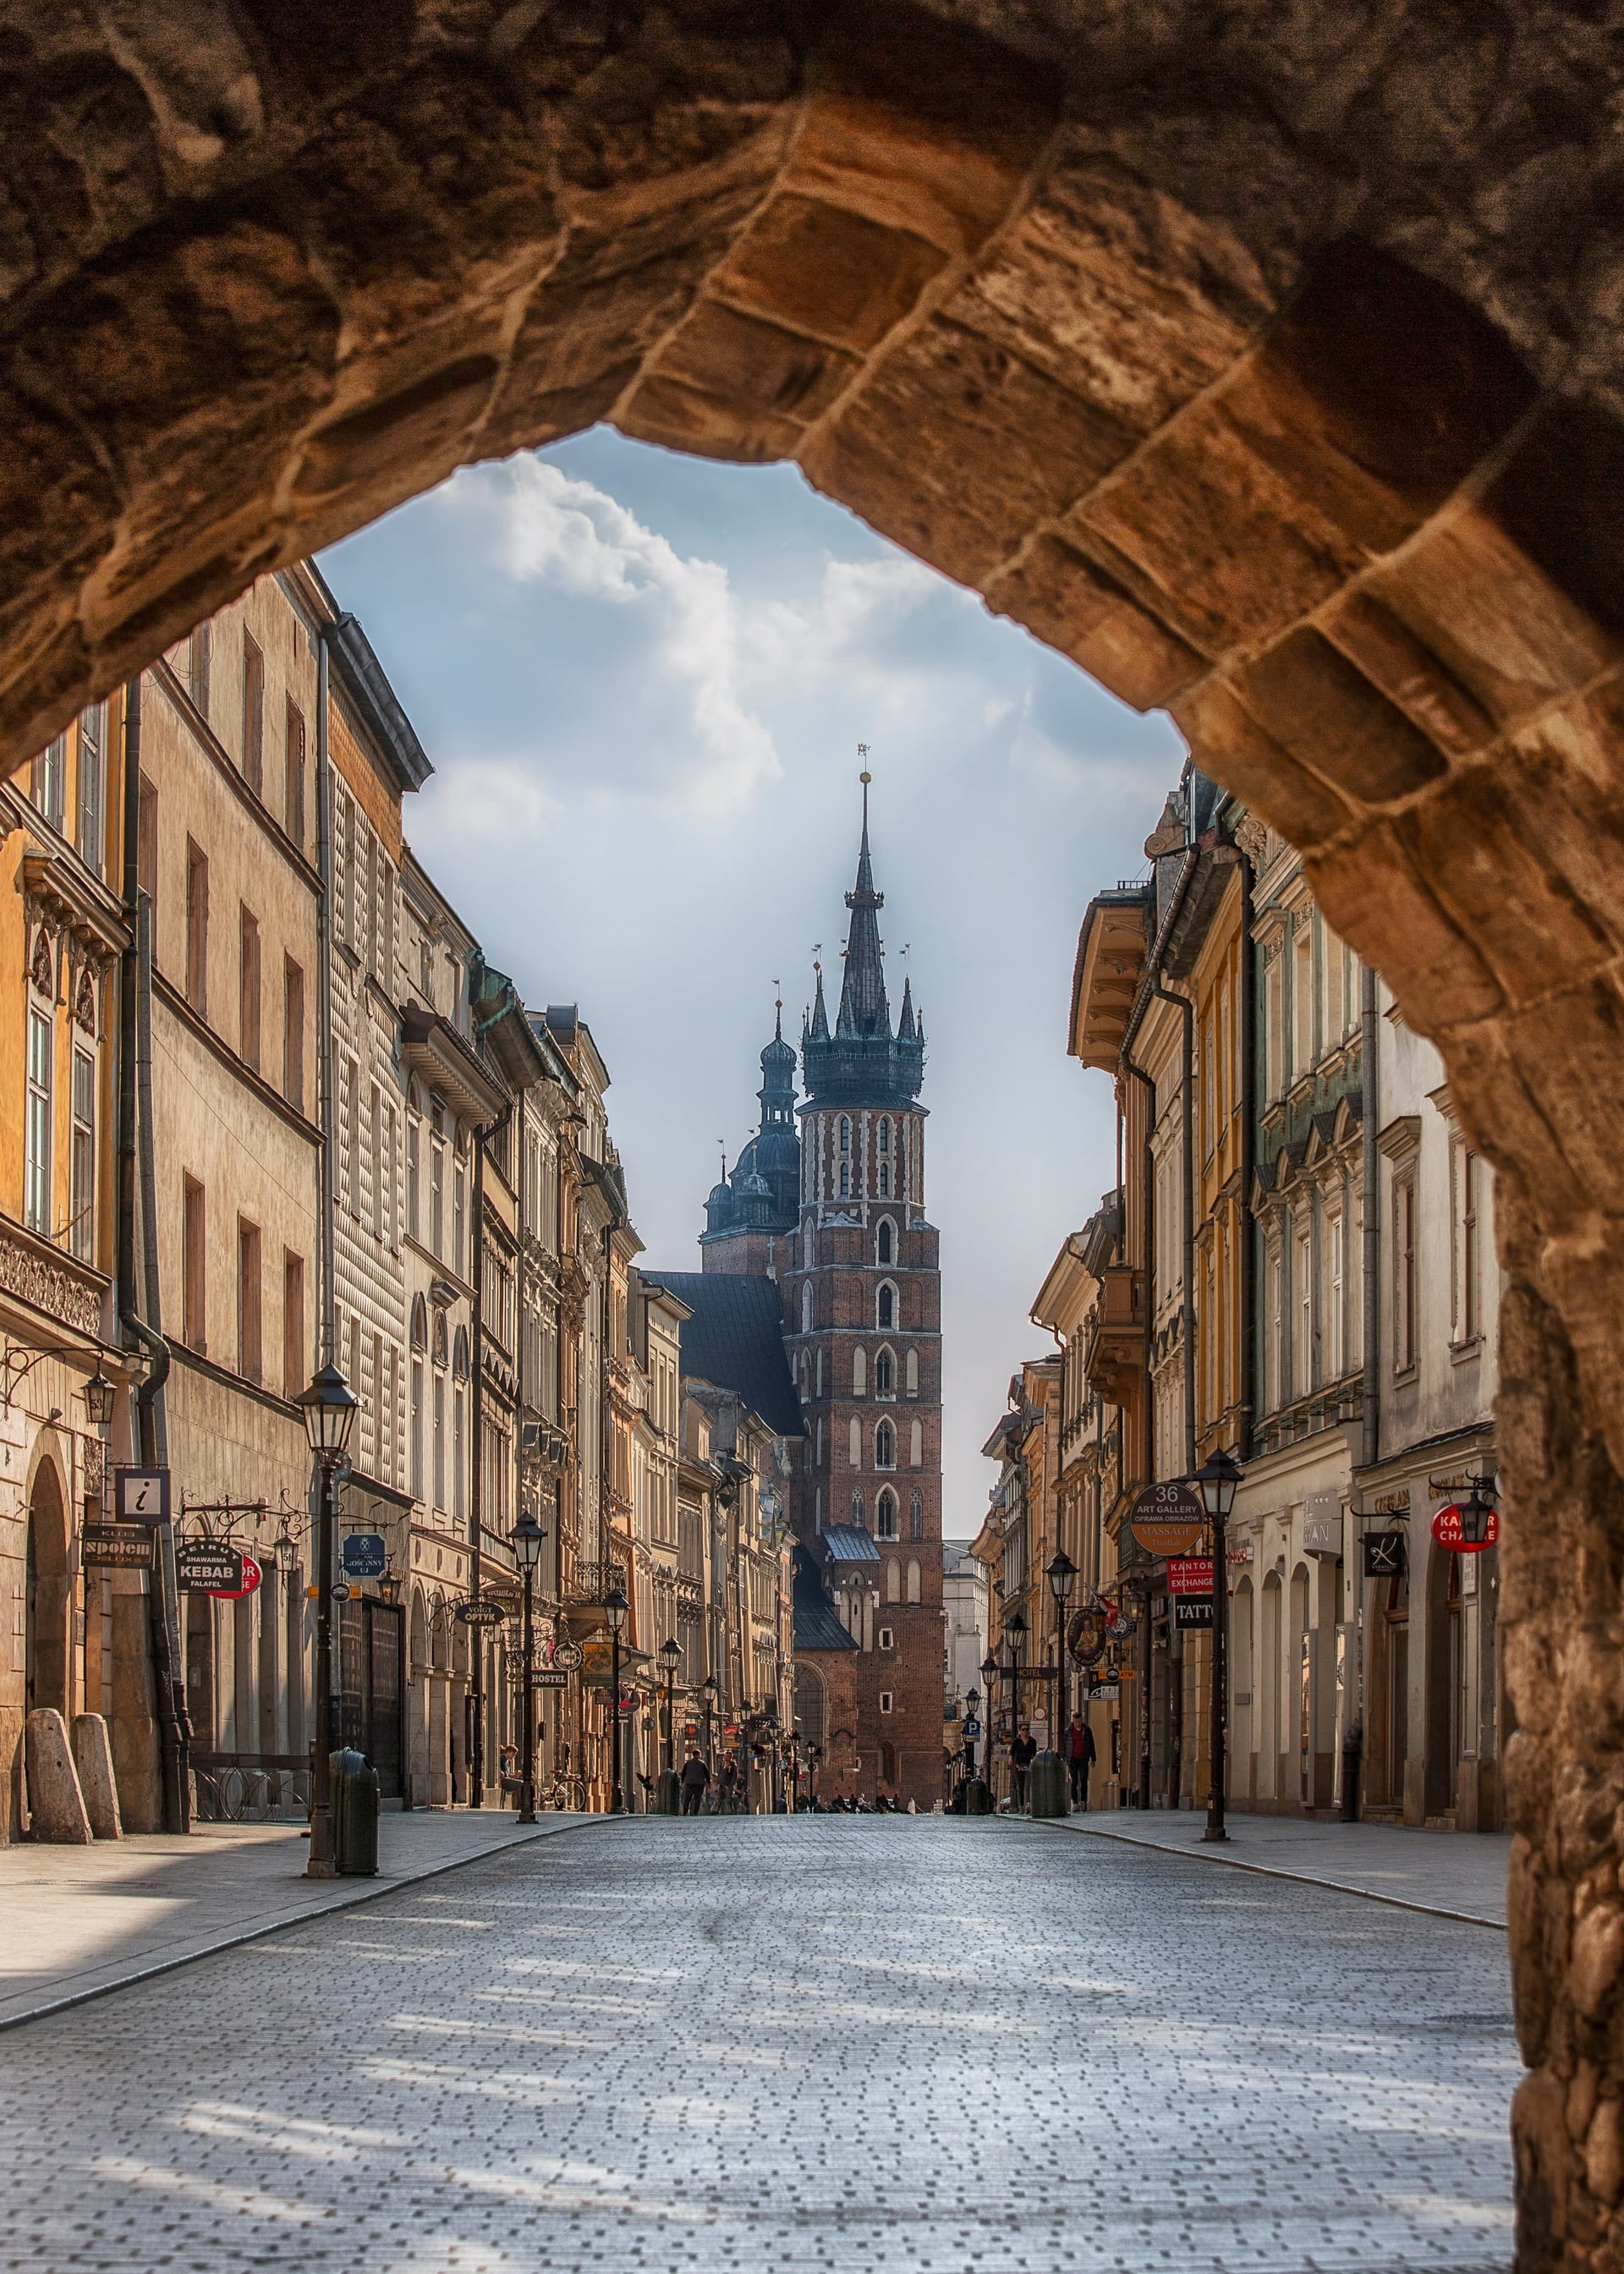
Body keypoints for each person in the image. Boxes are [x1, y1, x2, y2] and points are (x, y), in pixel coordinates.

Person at [1067, 1712, 1097, 1810]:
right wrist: (1065, 1757)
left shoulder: (1087, 1730)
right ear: (1073, 1721)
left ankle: (1083, 1801)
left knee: (1084, 1780)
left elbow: (1091, 1744)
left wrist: (1093, 1758)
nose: (1078, 1724)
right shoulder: (1068, 1731)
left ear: (1082, 1720)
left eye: (1079, 1721)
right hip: (1073, 1759)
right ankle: (1075, 1802)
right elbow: (1065, 1745)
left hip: (1084, 1758)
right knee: (1074, 1781)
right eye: (1076, 1722)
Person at [1010, 1722, 1038, 1810]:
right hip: (1018, 1766)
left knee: (1028, 1785)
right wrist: (1010, 1759)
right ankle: (1021, 1805)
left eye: (1027, 1729)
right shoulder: (1016, 1742)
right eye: (1023, 1730)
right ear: (1020, 1731)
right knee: (1020, 1786)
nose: (1025, 1731)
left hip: (1029, 1765)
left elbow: (1034, 1753)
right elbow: (1012, 1752)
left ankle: (1028, 1804)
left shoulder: (1032, 1741)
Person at [679, 1748, 710, 1816]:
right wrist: (709, 1783)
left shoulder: (688, 1762)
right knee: (697, 1799)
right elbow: (707, 1774)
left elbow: (683, 1773)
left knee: (687, 1799)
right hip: (699, 1784)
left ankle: (685, 1812)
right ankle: (695, 1812)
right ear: (699, 1755)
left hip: (689, 1783)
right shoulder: (702, 1763)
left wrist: (682, 1781)